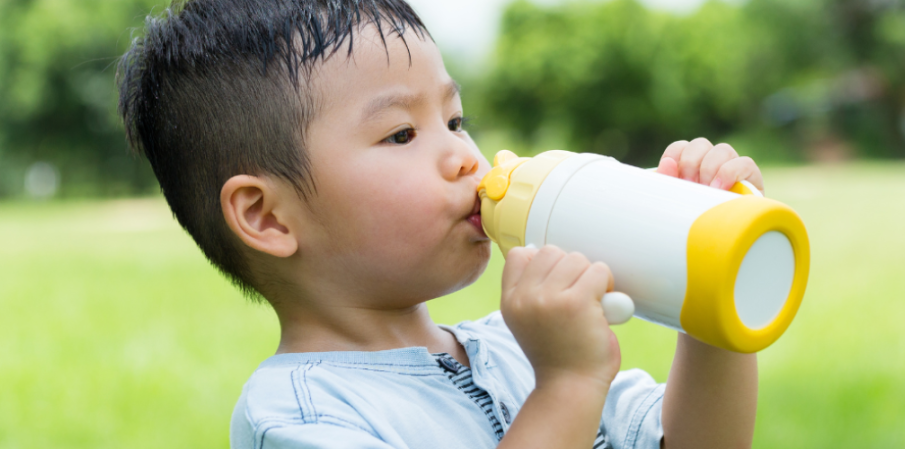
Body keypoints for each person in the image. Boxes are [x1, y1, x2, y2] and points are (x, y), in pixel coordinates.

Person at [117, 1, 764, 447]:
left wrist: (710, 284)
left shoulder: (516, 347)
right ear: (267, 216)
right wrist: (566, 387)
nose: (465, 156)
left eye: (455, 121)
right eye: (402, 133)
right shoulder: (300, 418)